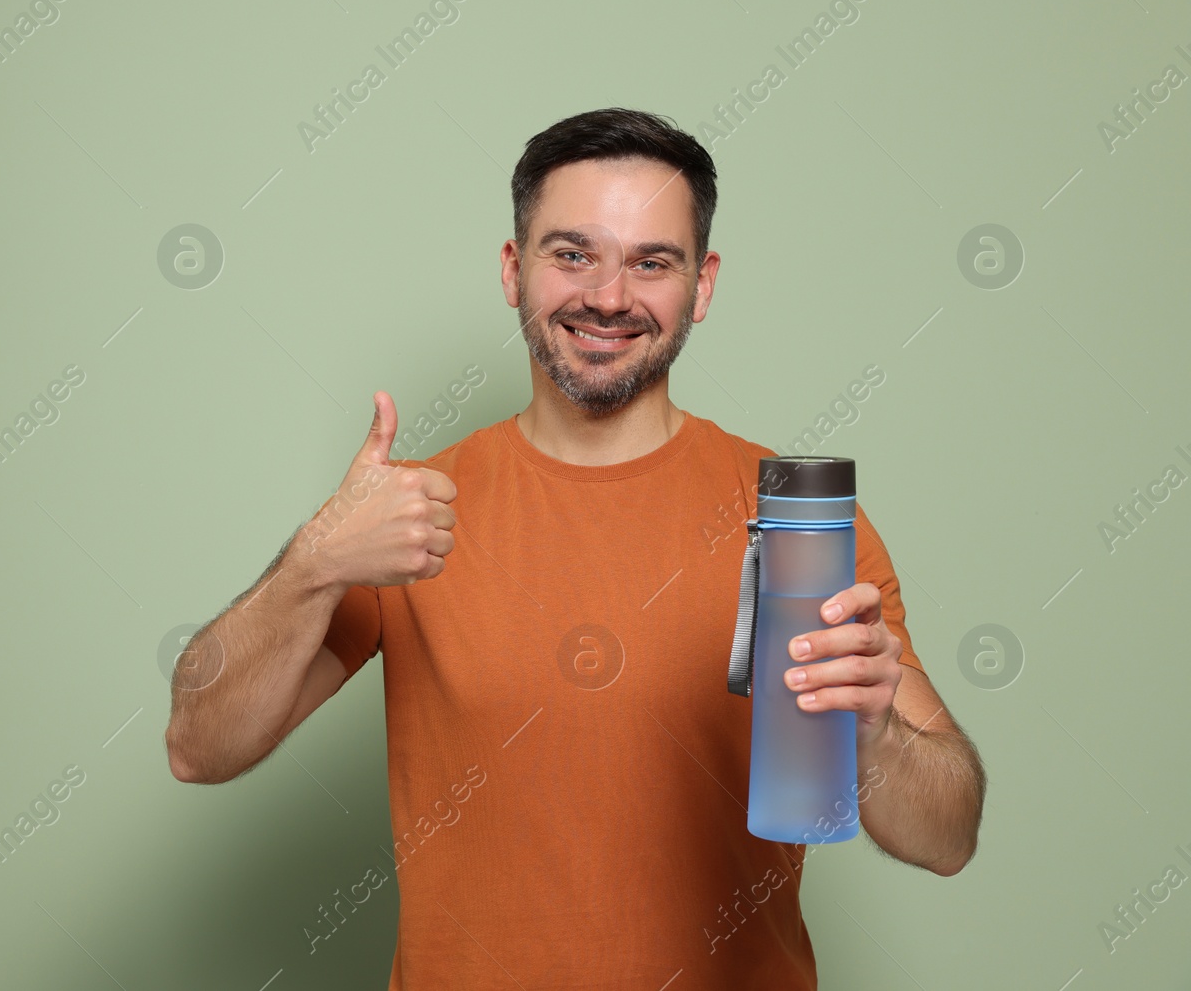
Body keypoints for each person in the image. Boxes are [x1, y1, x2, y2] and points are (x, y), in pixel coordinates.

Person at [164, 107, 986, 989]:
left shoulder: (795, 518)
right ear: (515, 271)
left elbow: (948, 835)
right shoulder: (412, 515)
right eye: (572, 254)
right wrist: (317, 557)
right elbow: (199, 745)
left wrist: (874, 734)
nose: (608, 295)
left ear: (702, 286)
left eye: (652, 261)